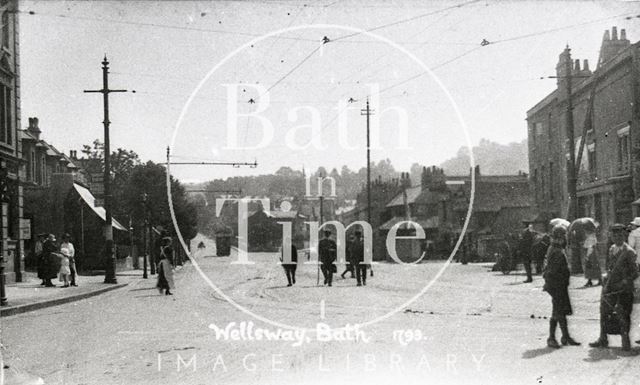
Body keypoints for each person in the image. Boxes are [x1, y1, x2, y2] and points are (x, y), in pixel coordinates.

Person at [589, 224, 638, 351]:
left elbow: (635, 272)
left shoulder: (629, 252)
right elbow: (610, 267)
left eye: (620, 235)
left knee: (624, 315)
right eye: (614, 235)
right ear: (611, 236)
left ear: (625, 236)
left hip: (624, 289)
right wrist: (606, 277)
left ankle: (625, 341)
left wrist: (624, 281)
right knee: (604, 312)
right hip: (610, 287)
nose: (617, 237)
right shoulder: (612, 249)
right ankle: (602, 339)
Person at [543, 225, 580, 348]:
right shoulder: (556, 250)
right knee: (557, 311)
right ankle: (551, 337)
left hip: (559, 284)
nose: (565, 238)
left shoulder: (555, 248)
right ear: (559, 237)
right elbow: (553, 270)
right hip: (556, 285)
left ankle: (565, 336)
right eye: (563, 236)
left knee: (561, 310)